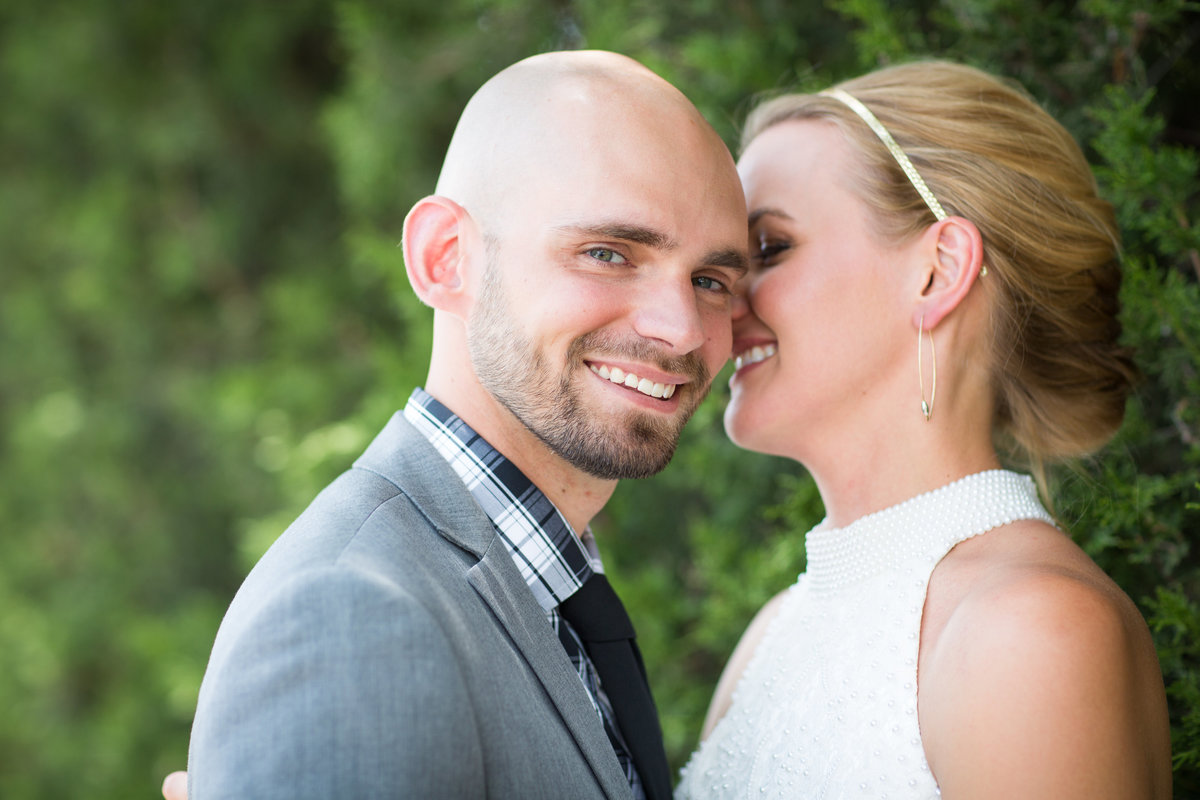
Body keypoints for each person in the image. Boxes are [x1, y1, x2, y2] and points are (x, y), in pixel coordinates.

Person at [173, 49, 749, 800]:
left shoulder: (542, 585)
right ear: (446, 258)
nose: (680, 328)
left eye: (711, 280)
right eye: (608, 253)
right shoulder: (350, 615)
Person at [674, 60, 1172, 799]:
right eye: (725, 264)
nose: (719, 299)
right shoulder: (773, 633)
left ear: (939, 273)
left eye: (769, 249)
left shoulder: (1033, 629)